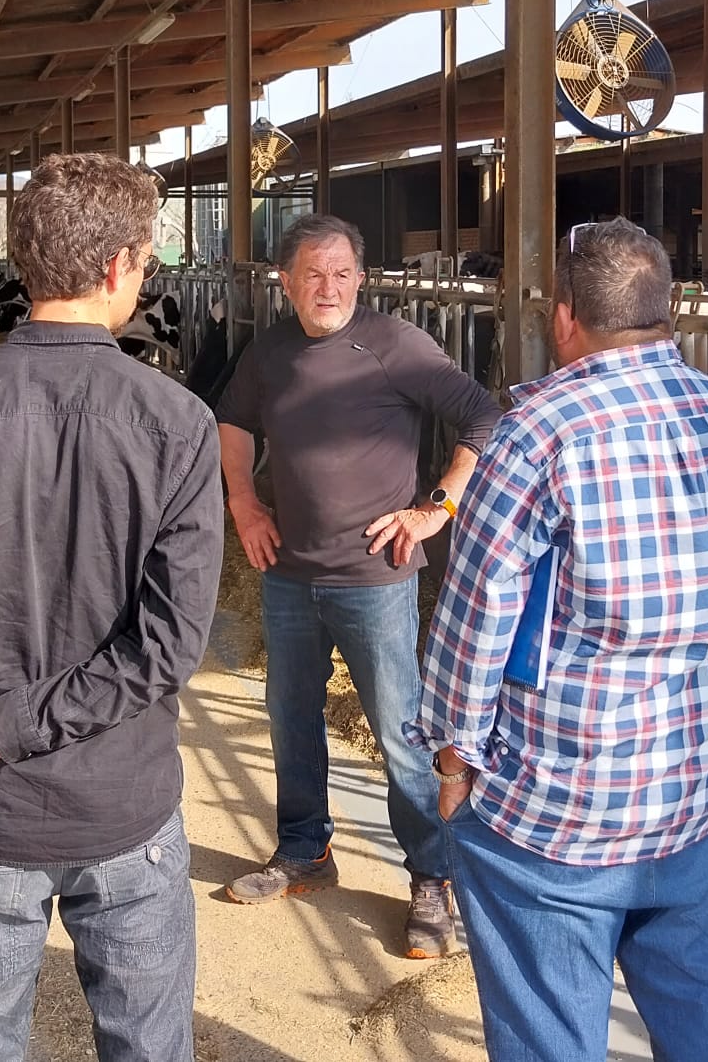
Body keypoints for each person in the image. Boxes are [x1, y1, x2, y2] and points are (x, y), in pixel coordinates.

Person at [0, 152, 222, 1062]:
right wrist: (5, 731)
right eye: (144, 261)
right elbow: (168, 646)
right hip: (126, 812)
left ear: (26, 263)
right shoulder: (178, 423)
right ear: (118, 266)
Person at [410, 219, 708, 1062]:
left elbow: (477, 619)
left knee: (551, 1038)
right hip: (691, 809)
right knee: (705, 1030)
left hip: (555, 821)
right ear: (672, 308)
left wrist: (453, 760)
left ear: (563, 318)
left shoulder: (535, 435)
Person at [216, 213, 501, 960]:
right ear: (285, 282)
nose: (329, 288)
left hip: (375, 578)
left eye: (342, 273)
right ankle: (304, 850)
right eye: (313, 274)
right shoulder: (269, 351)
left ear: (361, 278)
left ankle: (432, 877)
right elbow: (233, 423)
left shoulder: (396, 345)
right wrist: (243, 502)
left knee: (401, 734)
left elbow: (482, 415)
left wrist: (437, 507)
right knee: (291, 718)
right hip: (288, 573)